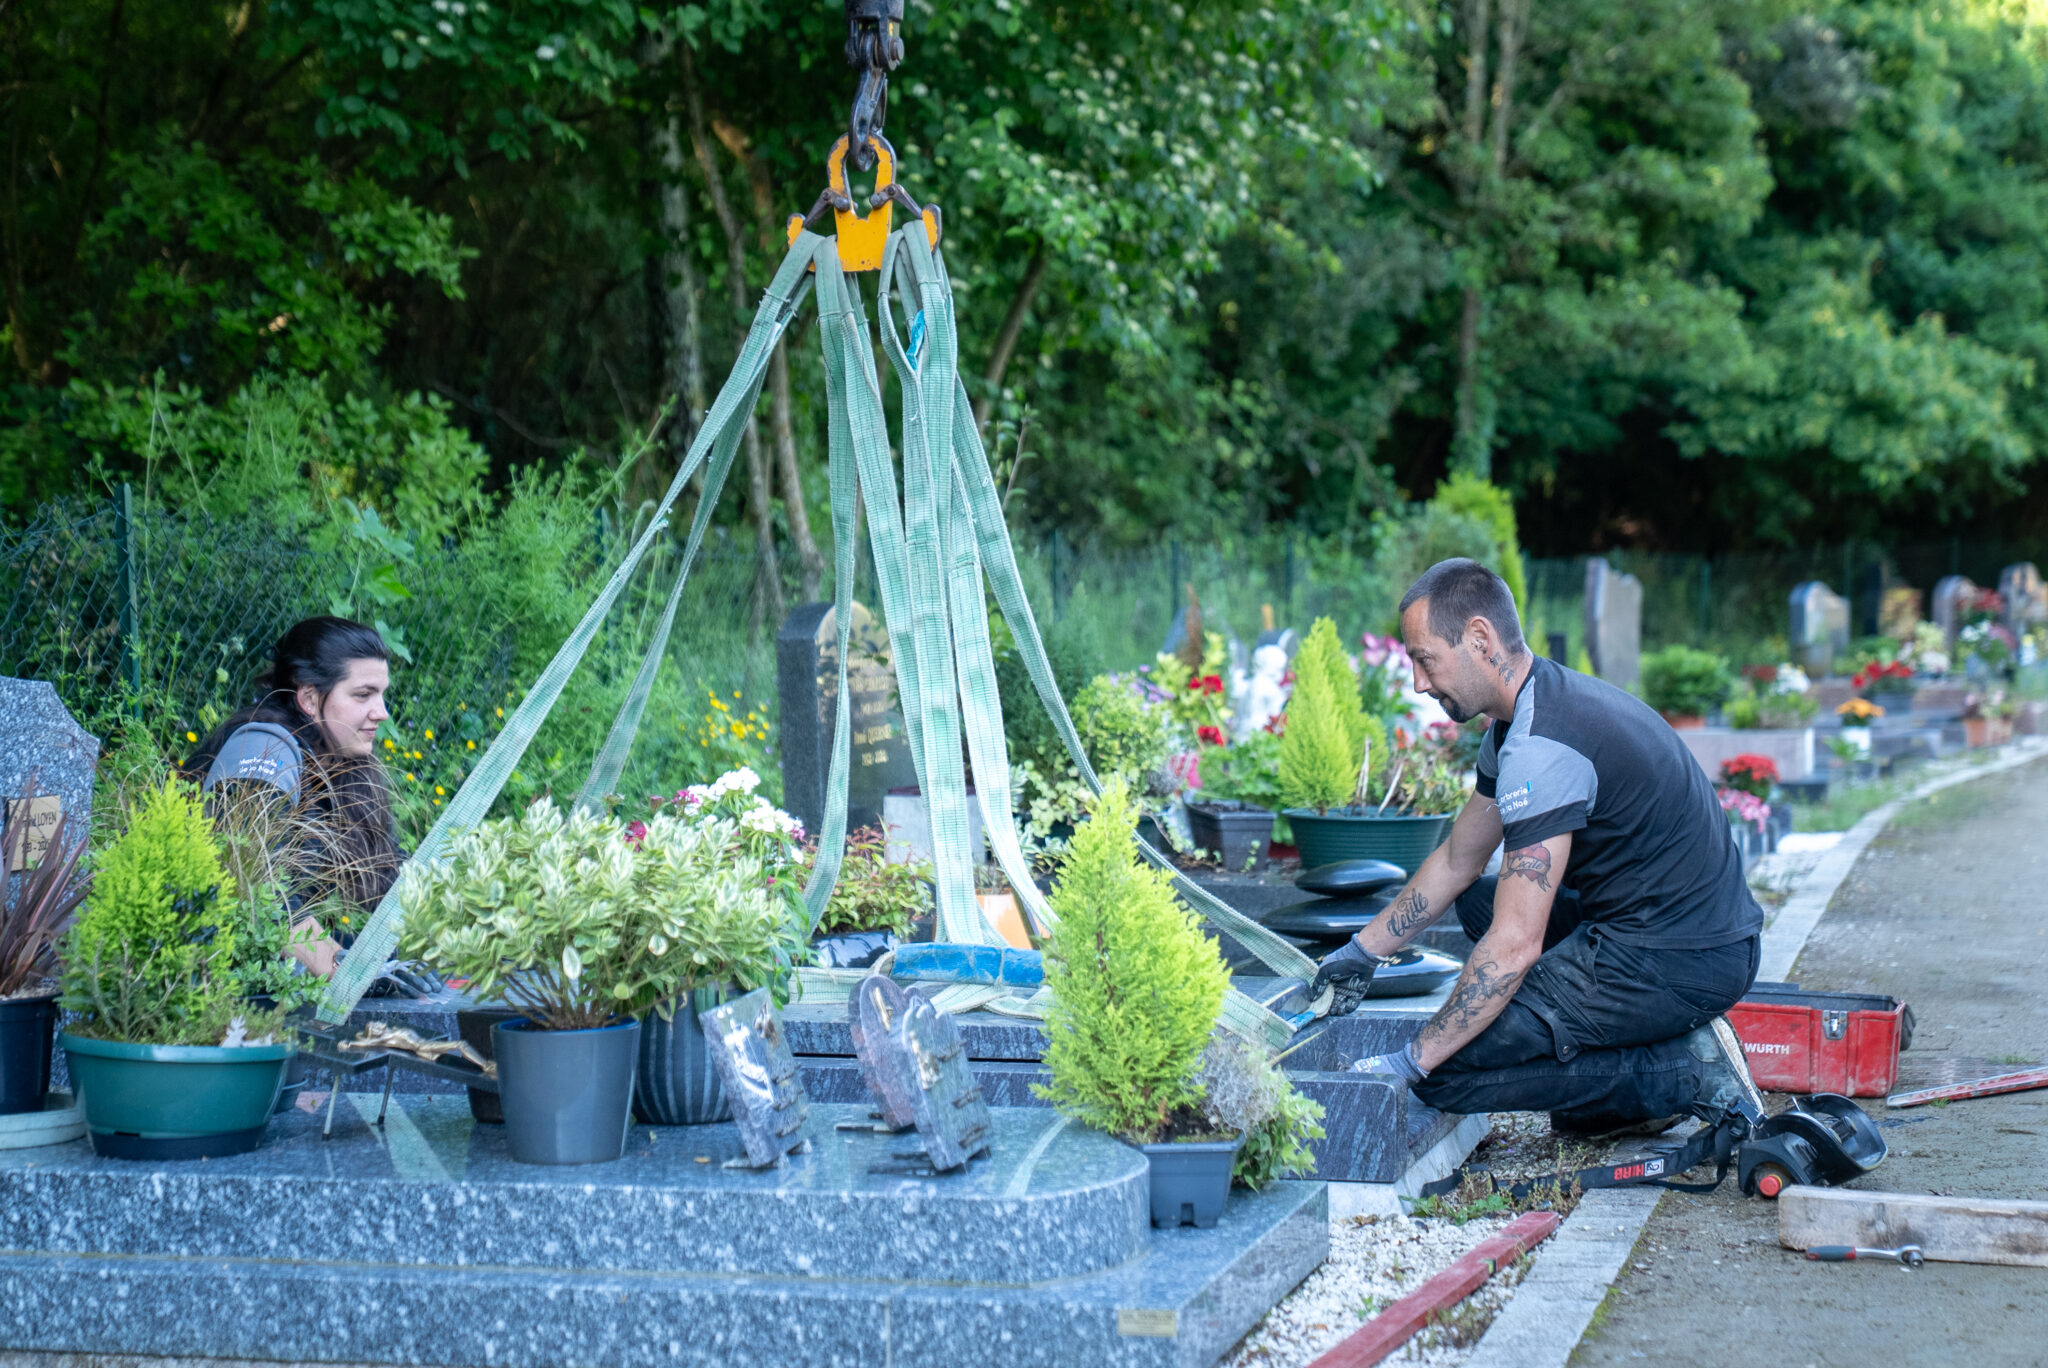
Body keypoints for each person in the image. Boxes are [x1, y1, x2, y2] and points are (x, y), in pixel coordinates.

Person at [1309, 559, 1764, 1135]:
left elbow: (1517, 944)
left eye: (1425, 659)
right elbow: (1458, 859)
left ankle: (1684, 1070)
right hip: (1661, 930)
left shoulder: (1542, 748)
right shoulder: (1523, 715)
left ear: (1479, 638)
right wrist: (1361, 953)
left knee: (1444, 1074)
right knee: (1478, 901)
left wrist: (1409, 1059)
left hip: (1684, 957)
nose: (1419, 684)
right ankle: (1624, 1078)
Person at [185, 617, 403, 980]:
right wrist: (351, 976)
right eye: (363, 695)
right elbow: (255, 885)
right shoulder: (264, 747)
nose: (382, 712)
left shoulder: (345, 759)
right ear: (309, 698)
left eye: (382, 694)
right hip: (224, 986)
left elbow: (388, 875)